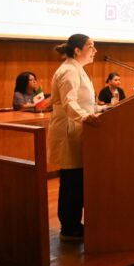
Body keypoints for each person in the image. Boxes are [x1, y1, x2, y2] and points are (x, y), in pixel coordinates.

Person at [47, 34, 103, 241]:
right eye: (91, 46)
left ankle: (72, 225)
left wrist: (102, 108)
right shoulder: (69, 71)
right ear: (77, 50)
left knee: (76, 181)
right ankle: (69, 229)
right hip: (68, 133)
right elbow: (69, 102)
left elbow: (85, 102)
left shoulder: (78, 70)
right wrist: (86, 116)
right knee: (71, 183)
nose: (95, 50)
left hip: (77, 132)